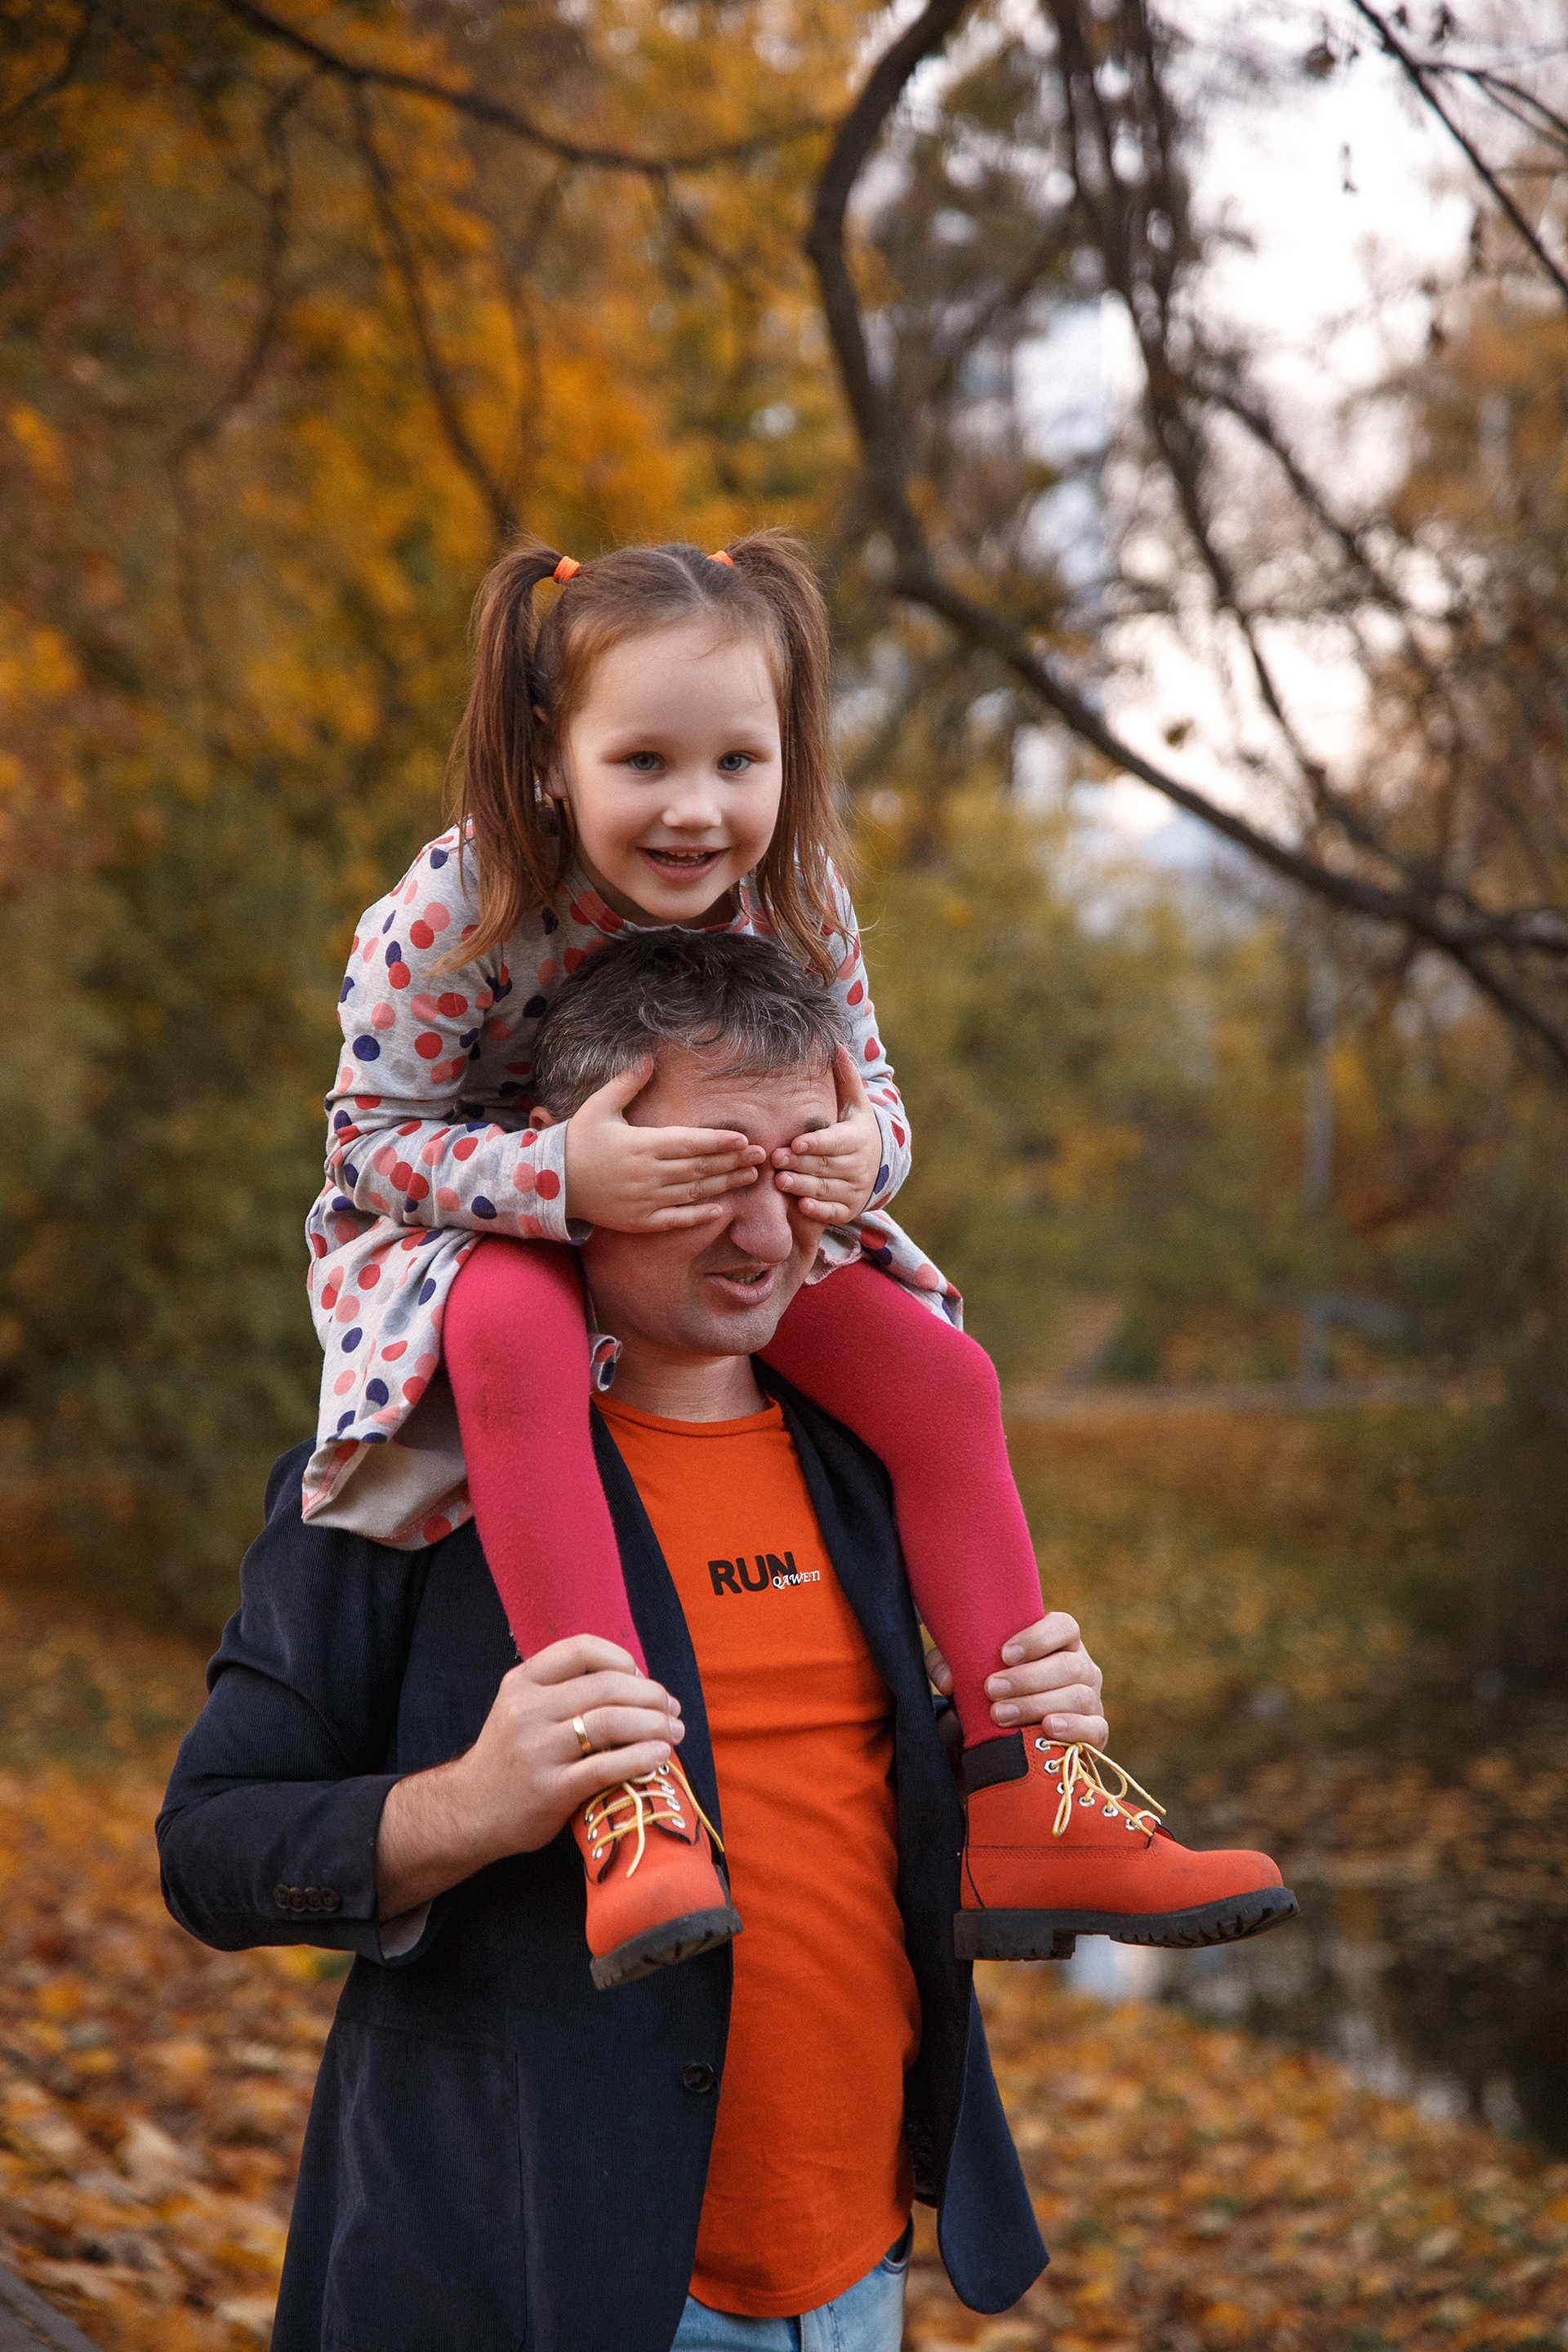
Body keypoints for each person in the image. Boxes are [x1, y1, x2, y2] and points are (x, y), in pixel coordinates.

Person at [158, 932, 1293, 2352]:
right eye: (706, 1178)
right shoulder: (400, 1481)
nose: (765, 1236)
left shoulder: (870, 1461)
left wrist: (995, 1740)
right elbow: (209, 1847)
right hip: (521, 2275)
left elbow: (837, 1820)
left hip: (857, 2276)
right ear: (567, 1166)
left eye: (800, 1178)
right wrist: (470, 1807)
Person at [299, 532, 1292, 1988]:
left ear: (787, 754)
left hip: (728, 1207)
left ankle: (1030, 1793)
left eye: (738, 762)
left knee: (941, 1379)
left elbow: (875, 1101)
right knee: (513, 1329)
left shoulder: (802, 891)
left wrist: (852, 1159)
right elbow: (364, 1143)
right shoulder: (462, 901)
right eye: (644, 761)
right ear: (550, 755)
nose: (697, 809)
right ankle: (628, 1802)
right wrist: (560, 1176)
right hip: (482, 1218)